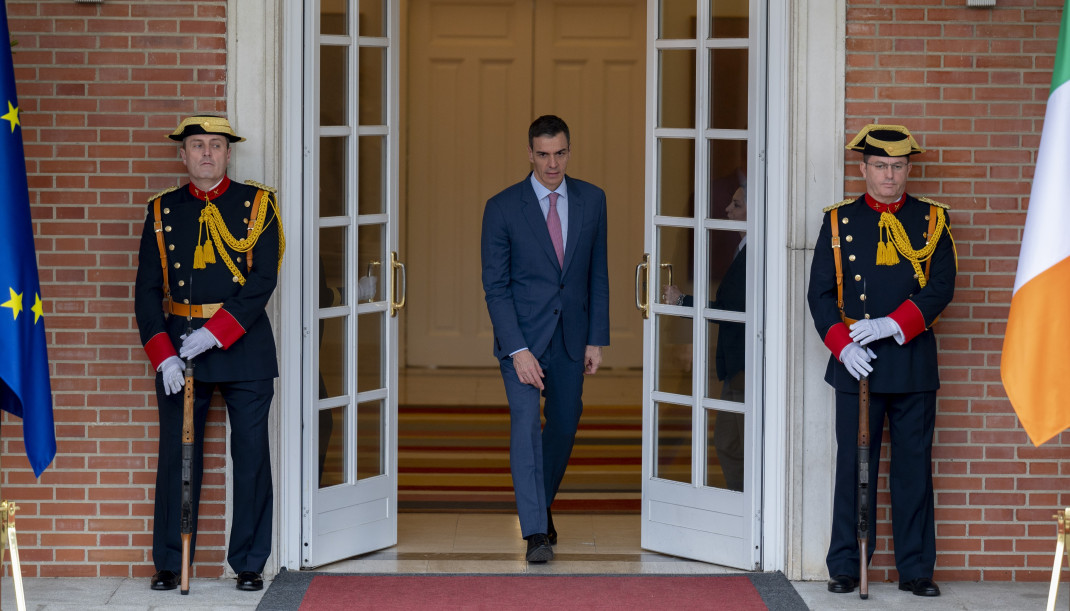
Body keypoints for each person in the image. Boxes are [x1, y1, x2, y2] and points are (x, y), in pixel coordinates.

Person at [135, 116, 284, 592]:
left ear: (227, 153)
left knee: (251, 456)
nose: (205, 154)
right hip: (180, 347)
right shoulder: (161, 211)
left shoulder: (258, 204)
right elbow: (145, 291)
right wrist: (163, 355)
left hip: (243, 345)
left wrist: (216, 333)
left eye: (215, 146)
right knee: (178, 455)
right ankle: (169, 561)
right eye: (197, 146)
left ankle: (248, 562)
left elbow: (262, 280)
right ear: (183, 155)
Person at [807, 124, 956, 598]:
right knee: (854, 468)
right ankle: (847, 564)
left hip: (911, 361)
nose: (889, 176)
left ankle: (915, 569)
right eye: (880, 166)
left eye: (897, 167)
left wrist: (893, 324)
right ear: (863, 168)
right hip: (858, 365)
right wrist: (842, 344)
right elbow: (820, 294)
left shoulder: (932, 220)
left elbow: (941, 286)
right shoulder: (838, 221)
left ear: (908, 168)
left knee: (914, 470)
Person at [481, 115, 610, 563]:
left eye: (559, 153)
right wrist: (518, 351)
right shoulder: (501, 207)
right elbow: (495, 287)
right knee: (525, 428)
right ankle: (535, 532)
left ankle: (540, 500)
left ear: (569, 151)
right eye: (543, 154)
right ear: (529, 153)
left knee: (564, 422)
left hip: (572, 337)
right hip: (521, 340)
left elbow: (597, 272)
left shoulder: (593, 200)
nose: (552, 163)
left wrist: (597, 338)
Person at [663, 183, 747, 492]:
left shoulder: (755, 253)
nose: (727, 210)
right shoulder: (744, 249)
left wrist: (683, 301)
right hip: (734, 367)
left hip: (744, 366)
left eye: (736, 205)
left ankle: (744, 505)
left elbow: (730, 309)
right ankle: (738, 501)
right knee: (727, 441)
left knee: (737, 443)